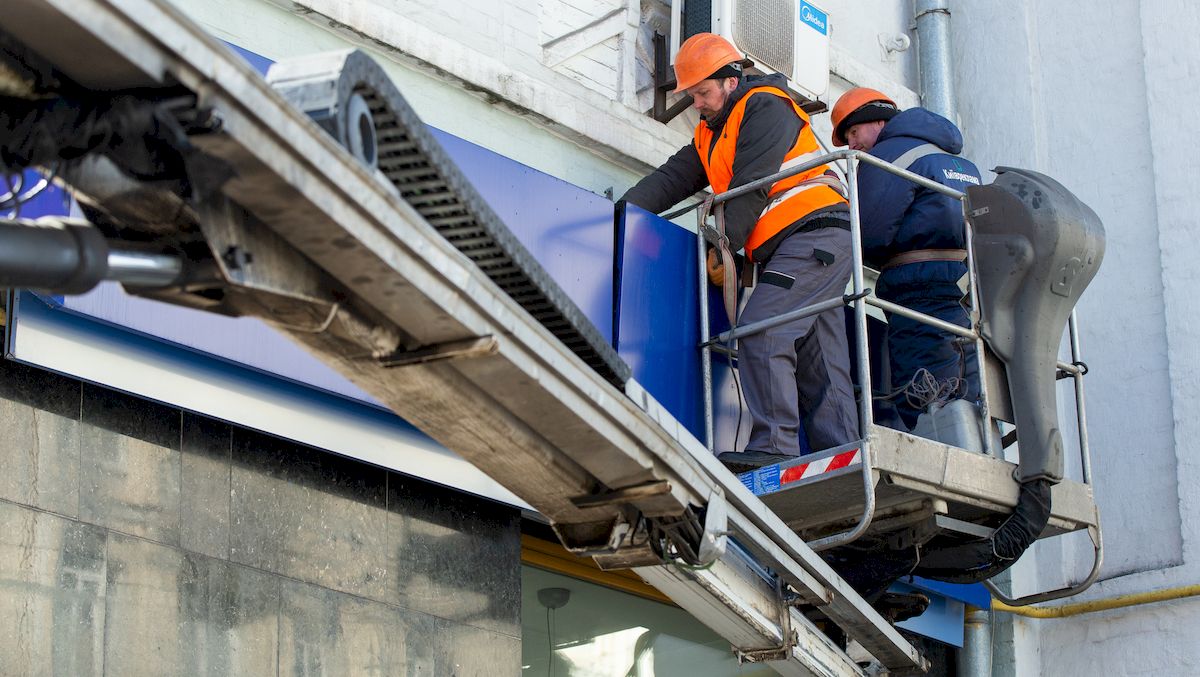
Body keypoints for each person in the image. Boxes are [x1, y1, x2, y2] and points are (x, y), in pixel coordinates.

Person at [621, 33, 858, 473]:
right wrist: (623, 211)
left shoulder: (764, 106)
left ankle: (775, 447)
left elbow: (751, 186)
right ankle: (842, 460)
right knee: (820, 362)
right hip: (808, 245)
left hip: (814, 233)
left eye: (702, 92)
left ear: (730, 81)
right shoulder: (711, 133)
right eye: (691, 94)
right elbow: (672, 179)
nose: (697, 102)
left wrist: (724, 245)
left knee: (762, 331)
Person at [830, 88, 983, 430]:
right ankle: (974, 447)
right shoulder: (956, 162)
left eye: (853, 133)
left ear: (878, 122)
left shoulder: (888, 155)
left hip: (917, 287)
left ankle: (943, 451)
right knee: (966, 378)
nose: (852, 145)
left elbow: (867, 232)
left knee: (924, 385)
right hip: (964, 282)